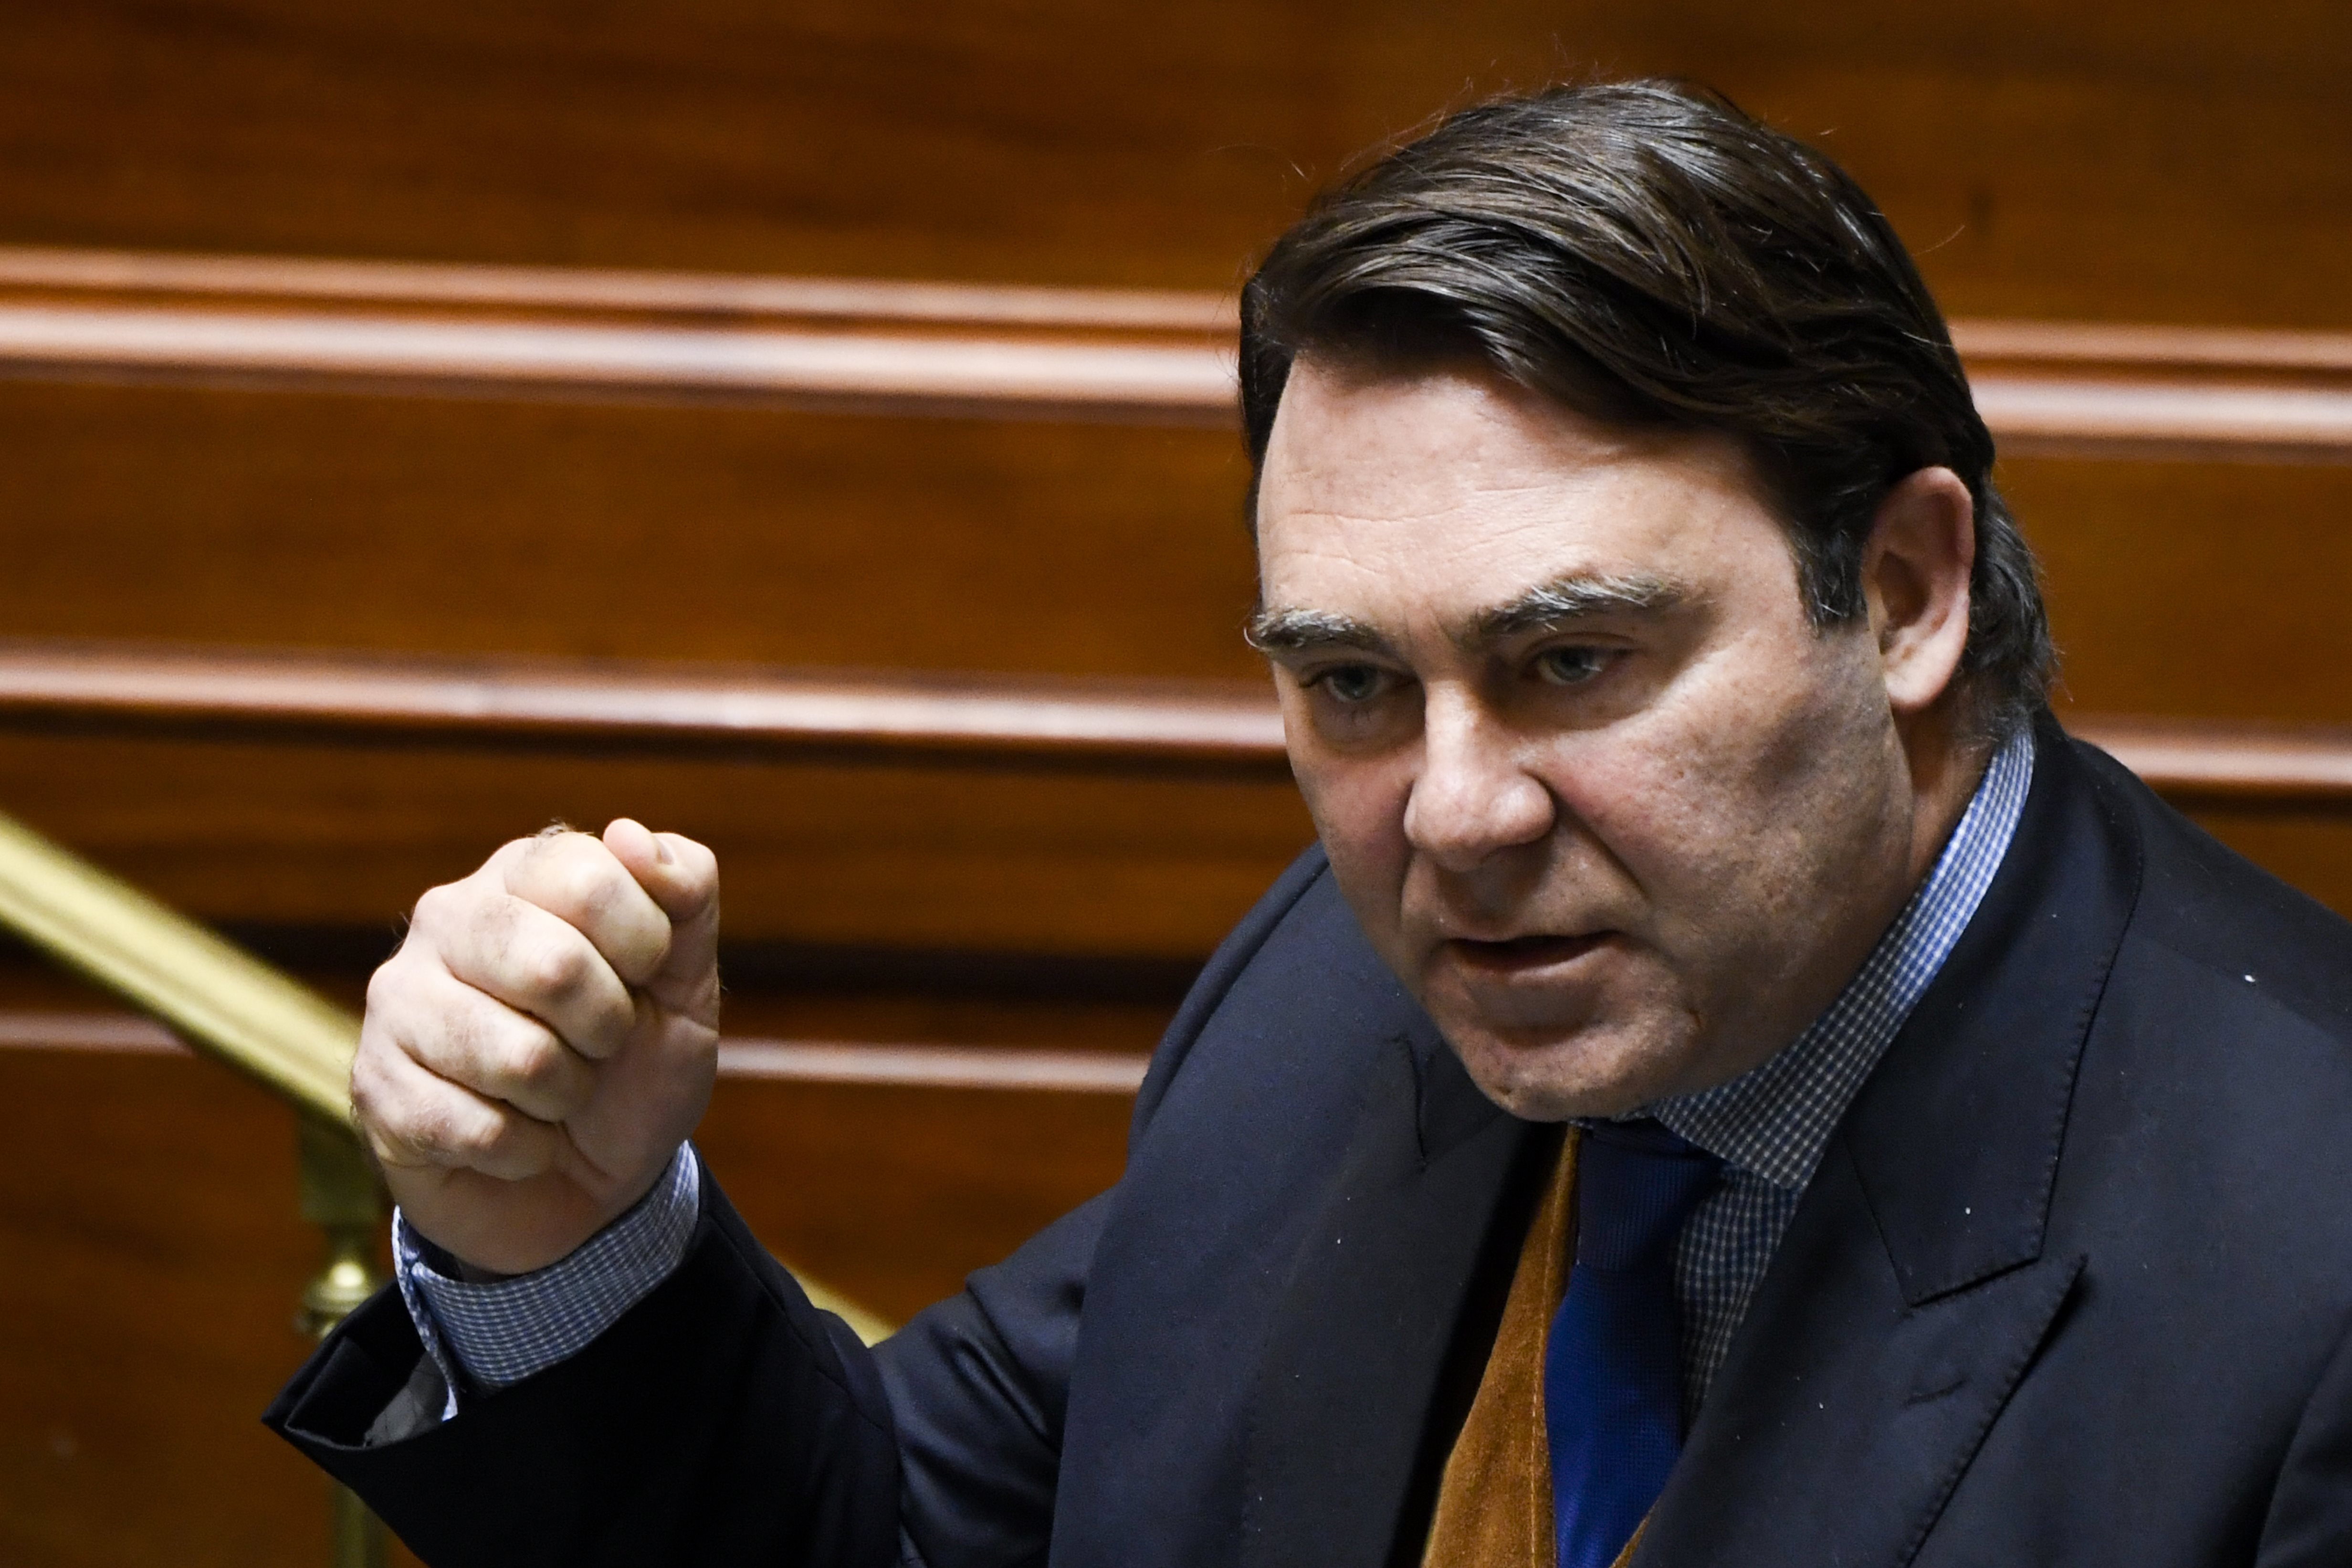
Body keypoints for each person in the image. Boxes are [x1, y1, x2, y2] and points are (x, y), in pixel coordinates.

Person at [267, 80, 2352, 1567]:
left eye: (1572, 660)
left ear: (1896, 596)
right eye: (1351, 683)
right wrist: (566, 1229)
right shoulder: (1337, 1003)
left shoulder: (2309, 1284)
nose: (1451, 815)